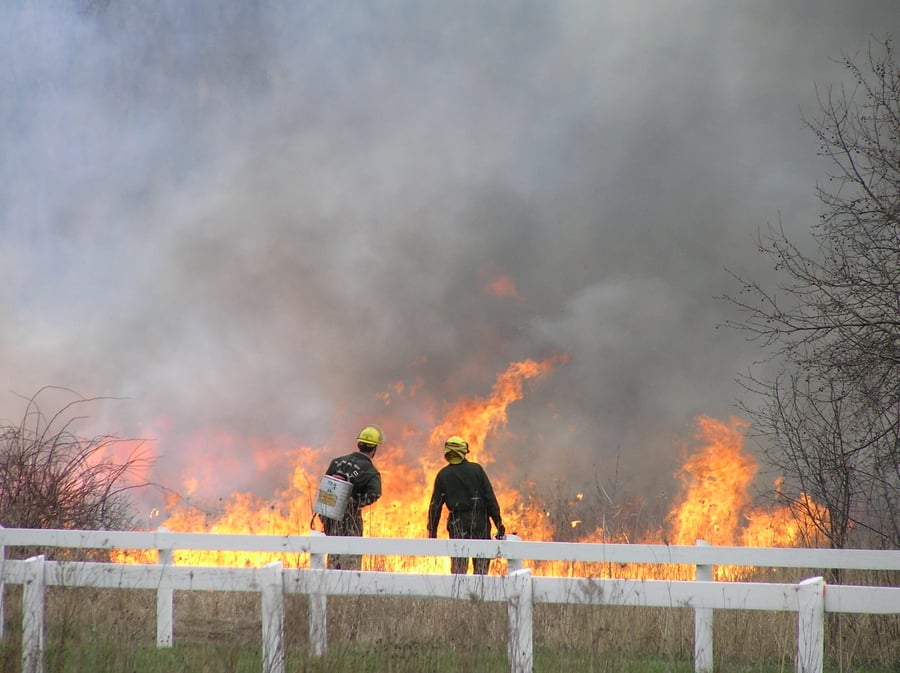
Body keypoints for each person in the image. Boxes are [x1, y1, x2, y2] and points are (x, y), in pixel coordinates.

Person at [427, 435, 505, 575]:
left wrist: (432, 532)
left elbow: (435, 506)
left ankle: (458, 595)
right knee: (481, 568)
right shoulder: (477, 470)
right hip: (480, 522)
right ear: (464, 452)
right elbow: (490, 499)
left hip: (457, 524)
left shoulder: (443, 475)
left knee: (458, 568)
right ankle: (478, 595)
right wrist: (499, 524)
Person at [318, 424, 384, 570]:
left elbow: (325, 491)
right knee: (351, 562)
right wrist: (353, 504)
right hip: (351, 523)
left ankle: (333, 591)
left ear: (358, 444)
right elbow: (375, 493)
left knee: (334, 560)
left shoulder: (336, 462)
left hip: (332, 520)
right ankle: (348, 591)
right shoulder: (370, 471)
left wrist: (325, 518)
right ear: (374, 449)